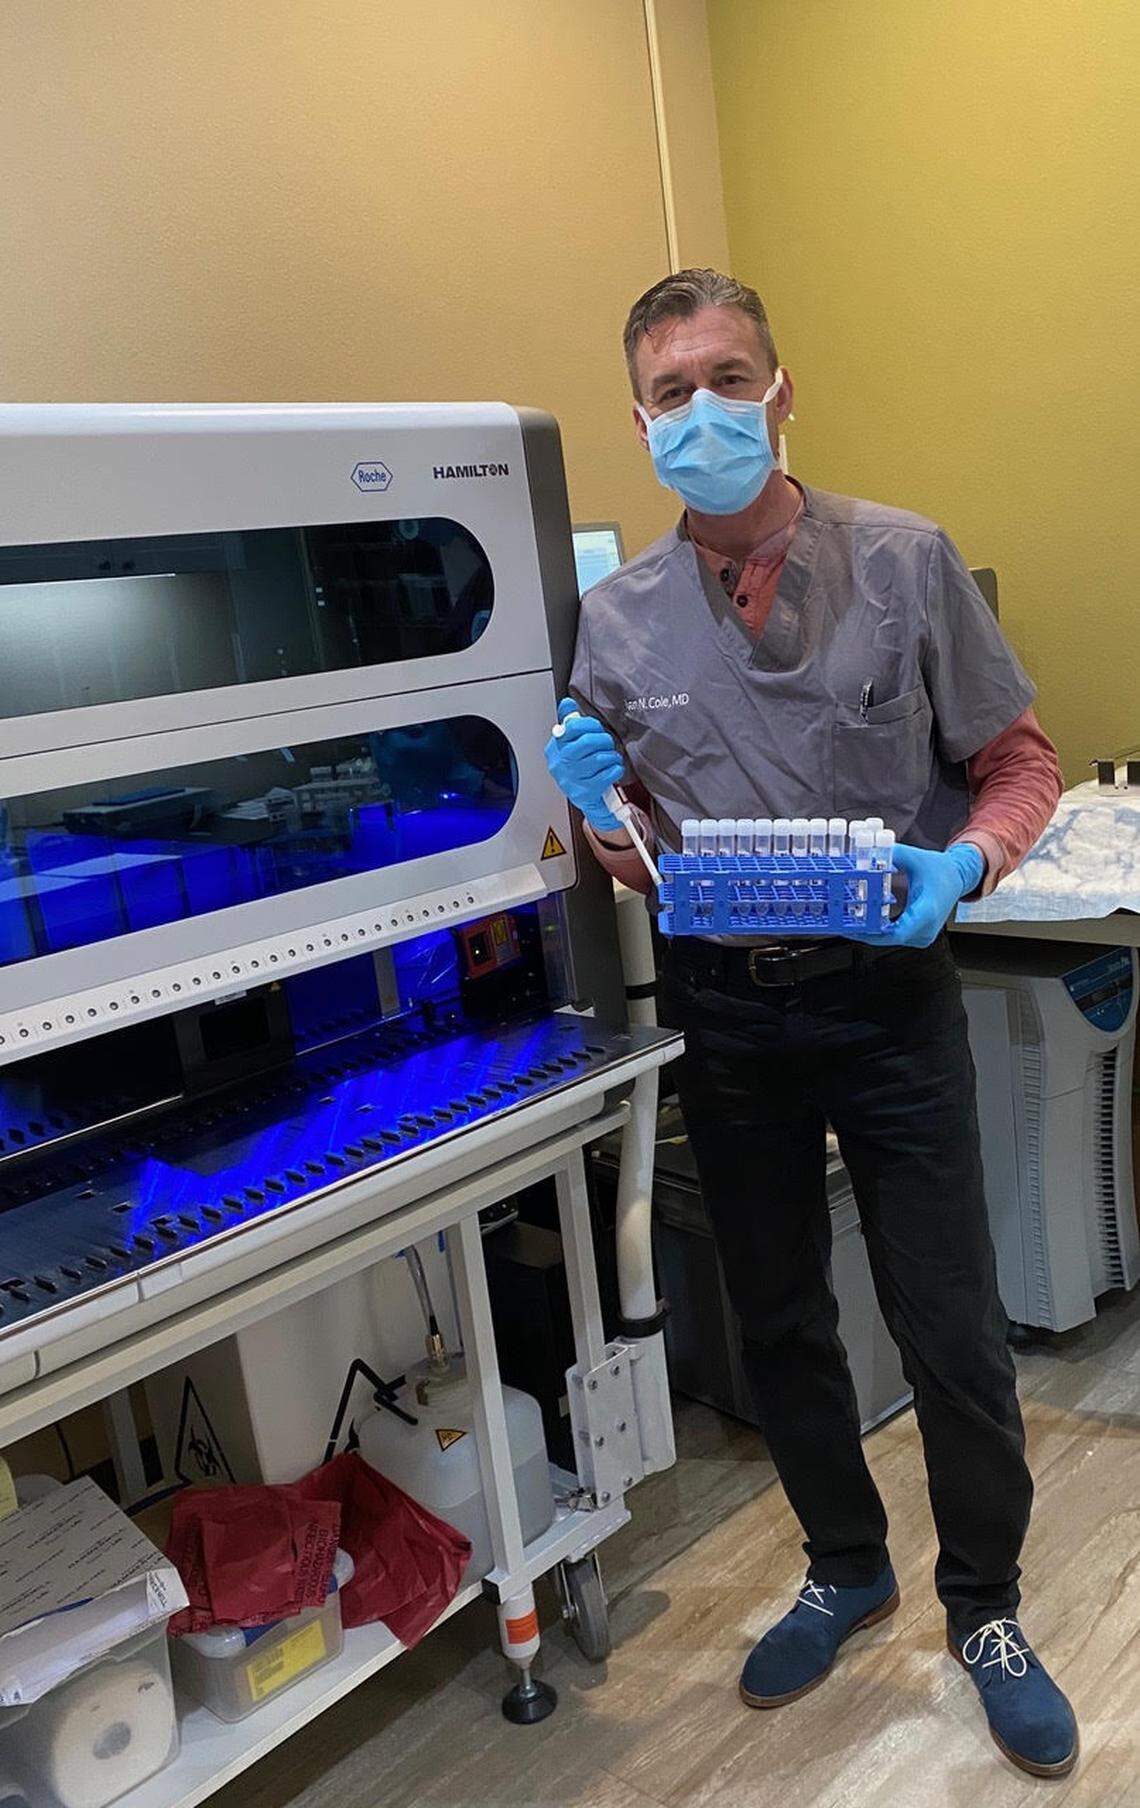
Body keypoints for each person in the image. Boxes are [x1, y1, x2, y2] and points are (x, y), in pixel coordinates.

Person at [546, 269, 1075, 1779]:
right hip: (731, 1008)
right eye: (669, 392)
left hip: (887, 997)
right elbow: (637, 852)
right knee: (779, 1316)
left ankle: (987, 1607)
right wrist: (600, 820)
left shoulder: (906, 564)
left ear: (782, 390)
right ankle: (847, 1566)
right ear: (637, 417)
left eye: (728, 378)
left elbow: (1018, 761)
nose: (700, 412)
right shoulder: (620, 621)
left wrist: (966, 861)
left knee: (951, 1322)